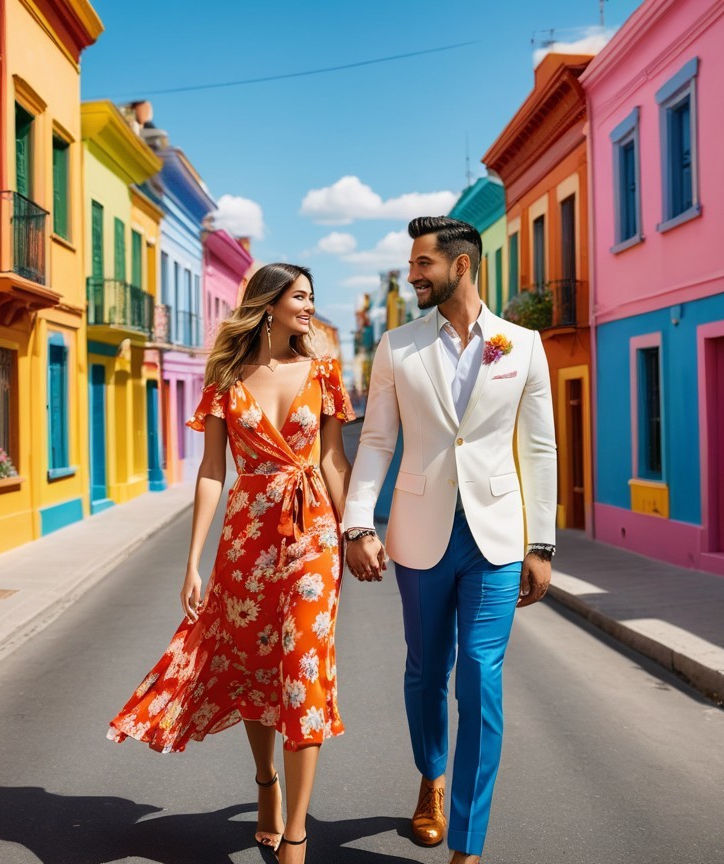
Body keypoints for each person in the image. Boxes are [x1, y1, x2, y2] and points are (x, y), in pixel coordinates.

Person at [108, 263, 354, 864]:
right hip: (246, 542)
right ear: (267, 304)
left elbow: (333, 461)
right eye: (300, 297)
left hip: (313, 536)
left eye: (312, 297)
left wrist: (360, 532)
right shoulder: (224, 378)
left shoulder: (323, 371)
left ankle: (296, 832)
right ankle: (266, 784)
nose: (310, 307)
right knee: (254, 667)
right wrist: (192, 561)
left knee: (301, 672)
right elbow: (213, 471)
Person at [341, 216, 557, 864]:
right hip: (418, 534)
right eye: (410, 266)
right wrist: (358, 523)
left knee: (481, 679)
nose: (412, 276)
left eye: (422, 265)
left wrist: (541, 545)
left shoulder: (523, 345)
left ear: (461, 266)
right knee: (426, 670)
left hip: (494, 538)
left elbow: (539, 448)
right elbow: (377, 440)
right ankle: (432, 776)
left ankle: (468, 843)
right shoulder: (396, 347)